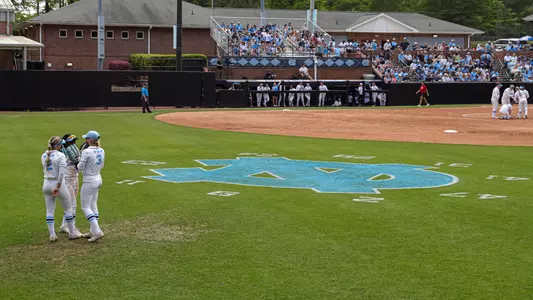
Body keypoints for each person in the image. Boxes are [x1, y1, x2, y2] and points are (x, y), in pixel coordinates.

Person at [41, 136, 83, 242]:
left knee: (50, 210)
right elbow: (61, 174)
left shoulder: (44, 155)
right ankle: (72, 233)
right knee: (68, 208)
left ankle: (52, 235)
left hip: (46, 183)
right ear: (59, 145)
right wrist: (58, 187)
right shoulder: (61, 155)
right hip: (57, 183)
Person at [78, 131, 105, 243]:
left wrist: (78, 160)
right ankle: (93, 230)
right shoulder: (102, 150)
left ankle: (97, 231)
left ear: (90, 140)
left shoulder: (86, 152)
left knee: (85, 207)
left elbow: (80, 167)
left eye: (87, 138)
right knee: (93, 205)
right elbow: (102, 165)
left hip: (89, 180)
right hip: (98, 178)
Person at [59, 134, 82, 235]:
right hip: (67, 179)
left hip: (74, 177)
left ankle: (65, 226)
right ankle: (72, 229)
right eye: (71, 141)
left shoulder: (72, 150)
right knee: (72, 204)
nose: (73, 144)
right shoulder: (62, 152)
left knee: (72, 203)